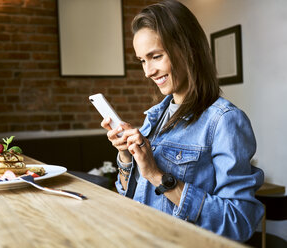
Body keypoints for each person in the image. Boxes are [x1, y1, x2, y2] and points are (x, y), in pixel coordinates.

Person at [101, 0, 264, 242]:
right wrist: (126, 156)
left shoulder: (225, 121)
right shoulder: (155, 118)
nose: (147, 71)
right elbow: (130, 194)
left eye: (155, 56)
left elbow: (238, 222)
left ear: (188, 49)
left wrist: (158, 176)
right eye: (142, 61)